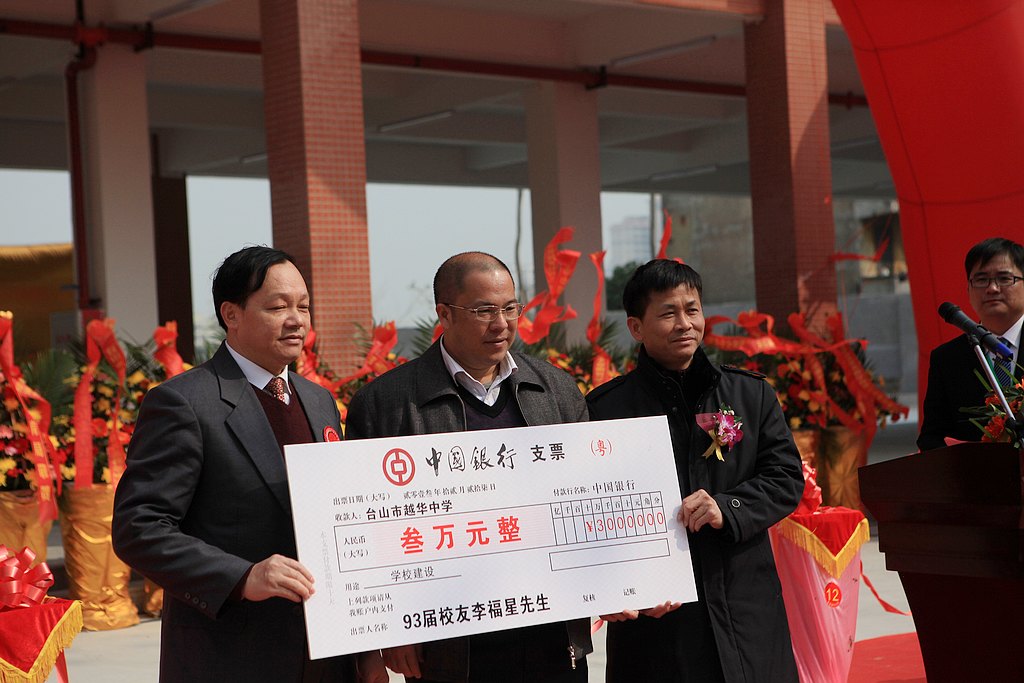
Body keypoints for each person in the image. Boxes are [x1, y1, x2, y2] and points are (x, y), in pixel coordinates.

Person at [112, 247, 373, 682]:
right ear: (231, 314)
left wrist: (365, 645)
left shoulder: (318, 401)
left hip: (327, 656)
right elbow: (139, 528)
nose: (297, 320)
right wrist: (242, 577)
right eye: (278, 307)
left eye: (304, 306)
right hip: (232, 653)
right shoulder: (183, 403)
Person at [345, 251, 592, 683]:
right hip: (448, 644)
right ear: (444, 314)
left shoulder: (554, 389)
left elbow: (588, 497)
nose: (501, 324)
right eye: (483, 311)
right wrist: (389, 630)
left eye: (510, 308)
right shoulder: (385, 404)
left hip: (549, 633)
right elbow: (367, 530)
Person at [586, 259, 802, 683]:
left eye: (692, 309)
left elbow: (785, 477)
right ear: (636, 327)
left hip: (745, 604)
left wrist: (729, 507)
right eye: (668, 313)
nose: (685, 323)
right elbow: (589, 510)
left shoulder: (749, 394)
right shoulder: (606, 409)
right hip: (657, 619)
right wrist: (610, 588)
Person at [918, 237, 1024, 451]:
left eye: (1004, 278)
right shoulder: (947, 359)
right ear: (968, 289)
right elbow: (931, 438)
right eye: (981, 280)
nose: (992, 288)